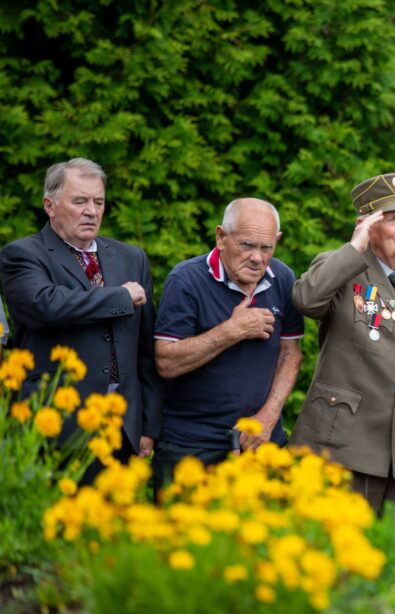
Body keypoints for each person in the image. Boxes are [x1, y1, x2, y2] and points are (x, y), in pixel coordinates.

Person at [291, 172, 395, 518]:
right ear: (366, 225)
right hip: (343, 448)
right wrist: (356, 246)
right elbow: (306, 299)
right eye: (392, 219)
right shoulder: (341, 269)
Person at [0, 158, 162, 483]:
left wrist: (148, 424)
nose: (92, 210)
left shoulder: (132, 258)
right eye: (80, 201)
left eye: (98, 201)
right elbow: (45, 306)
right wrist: (120, 297)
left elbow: (146, 350)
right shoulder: (23, 255)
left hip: (123, 430)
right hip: (58, 427)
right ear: (50, 205)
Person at [152, 198, 303, 493]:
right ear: (221, 237)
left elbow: (291, 354)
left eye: (266, 248)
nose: (258, 258)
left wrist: (268, 417)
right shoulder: (186, 280)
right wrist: (231, 331)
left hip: (261, 441)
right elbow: (166, 362)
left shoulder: (283, 278)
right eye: (247, 245)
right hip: (191, 446)